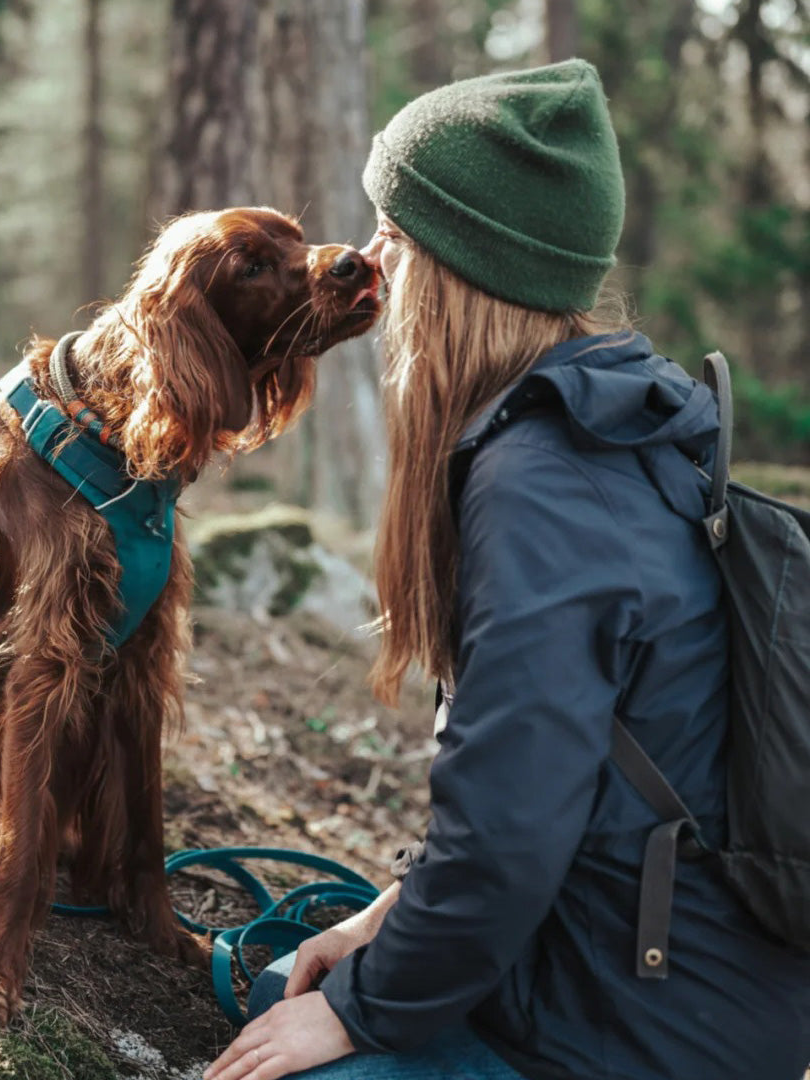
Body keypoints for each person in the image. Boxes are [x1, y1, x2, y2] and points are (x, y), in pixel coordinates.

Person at [204, 60, 810, 1080]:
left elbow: (511, 828)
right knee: (274, 984)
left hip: (637, 1032)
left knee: (296, 1053)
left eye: (394, 235)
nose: (371, 262)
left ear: (460, 264)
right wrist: (383, 923)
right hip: (674, 983)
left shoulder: (544, 481)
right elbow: (564, 776)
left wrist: (370, 1007)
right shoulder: (608, 428)